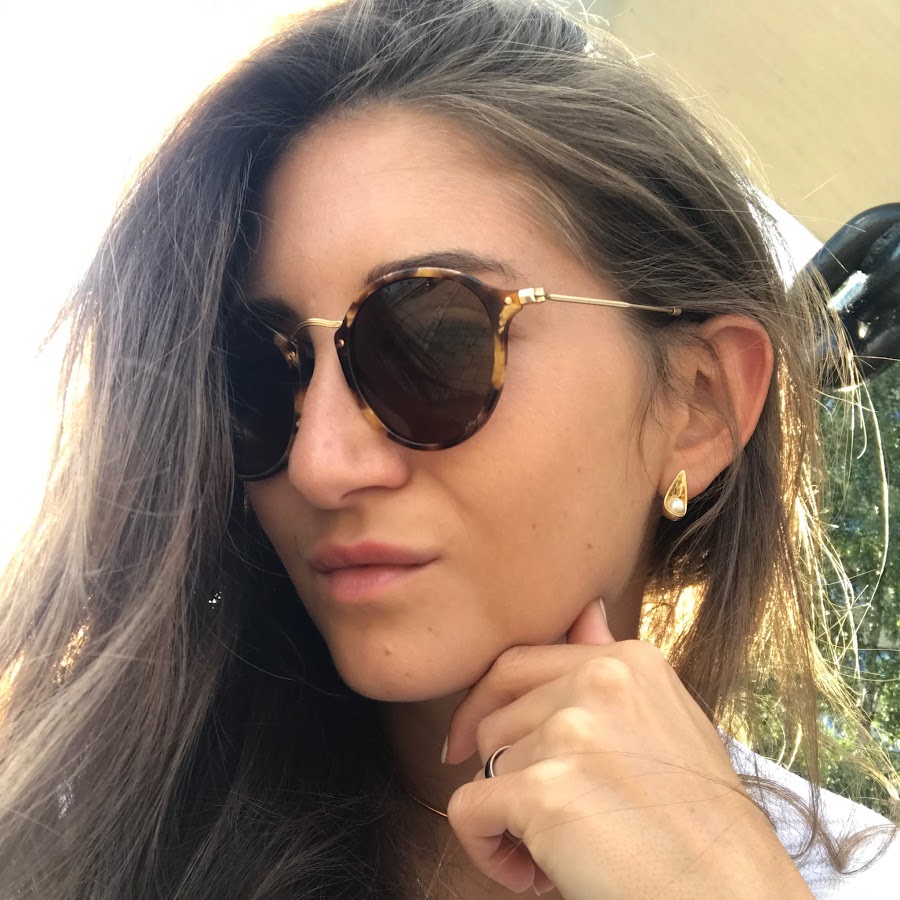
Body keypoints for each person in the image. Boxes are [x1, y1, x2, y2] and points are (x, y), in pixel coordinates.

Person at [0, 1, 897, 897]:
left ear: (698, 404)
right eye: (257, 376)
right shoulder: (71, 832)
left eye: (435, 344)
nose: (319, 464)